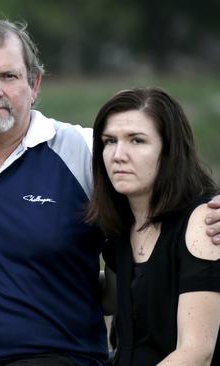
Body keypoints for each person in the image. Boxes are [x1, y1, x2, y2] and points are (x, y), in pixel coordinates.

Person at [0, 18, 220, 366]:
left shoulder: (85, 150)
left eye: (9, 76)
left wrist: (213, 210)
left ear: (34, 84)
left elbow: (173, 183)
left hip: (53, 355)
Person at [87, 87, 220, 365]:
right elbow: (112, 298)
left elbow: (196, 353)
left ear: (170, 150)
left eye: (137, 141)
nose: (118, 155)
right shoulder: (120, 226)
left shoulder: (204, 222)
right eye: (109, 141)